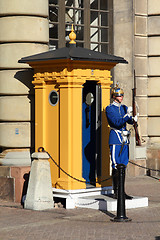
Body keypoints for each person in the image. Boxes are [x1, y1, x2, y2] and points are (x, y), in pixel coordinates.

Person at [105, 84, 137, 199]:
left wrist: (133, 118)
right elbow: (117, 122)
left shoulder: (123, 107)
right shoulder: (109, 108)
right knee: (116, 165)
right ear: (114, 96)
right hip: (115, 138)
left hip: (124, 138)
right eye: (119, 95)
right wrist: (126, 116)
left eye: (122, 95)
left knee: (124, 164)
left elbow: (128, 122)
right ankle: (116, 192)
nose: (121, 97)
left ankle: (122, 192)